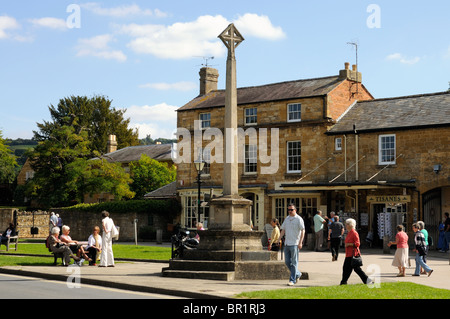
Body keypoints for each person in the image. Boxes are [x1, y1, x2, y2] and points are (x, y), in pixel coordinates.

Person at [340, 218, 371, 285]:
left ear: (351, 225)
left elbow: (358, 244)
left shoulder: (354, 233)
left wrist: (349, 244)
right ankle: (343, 282)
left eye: (347, 224)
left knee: (354, 269)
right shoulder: (349, 233)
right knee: (347, 269)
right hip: (348, 254)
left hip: (353, 254)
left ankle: (343, 282)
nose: (346, 225)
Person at [280, 204, 305, 286]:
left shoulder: (299, 219)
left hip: (295, 243)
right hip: (287, 243)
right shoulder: (287, 219)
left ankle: (292, 280)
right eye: (289, 210)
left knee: (294, 263)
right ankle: (297, 274)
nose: (290, 211)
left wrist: (300, 242)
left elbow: (302, 231)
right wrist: (279, 238)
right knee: (287, 262)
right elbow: (283, 230)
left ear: (295, 210)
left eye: (291, 209)